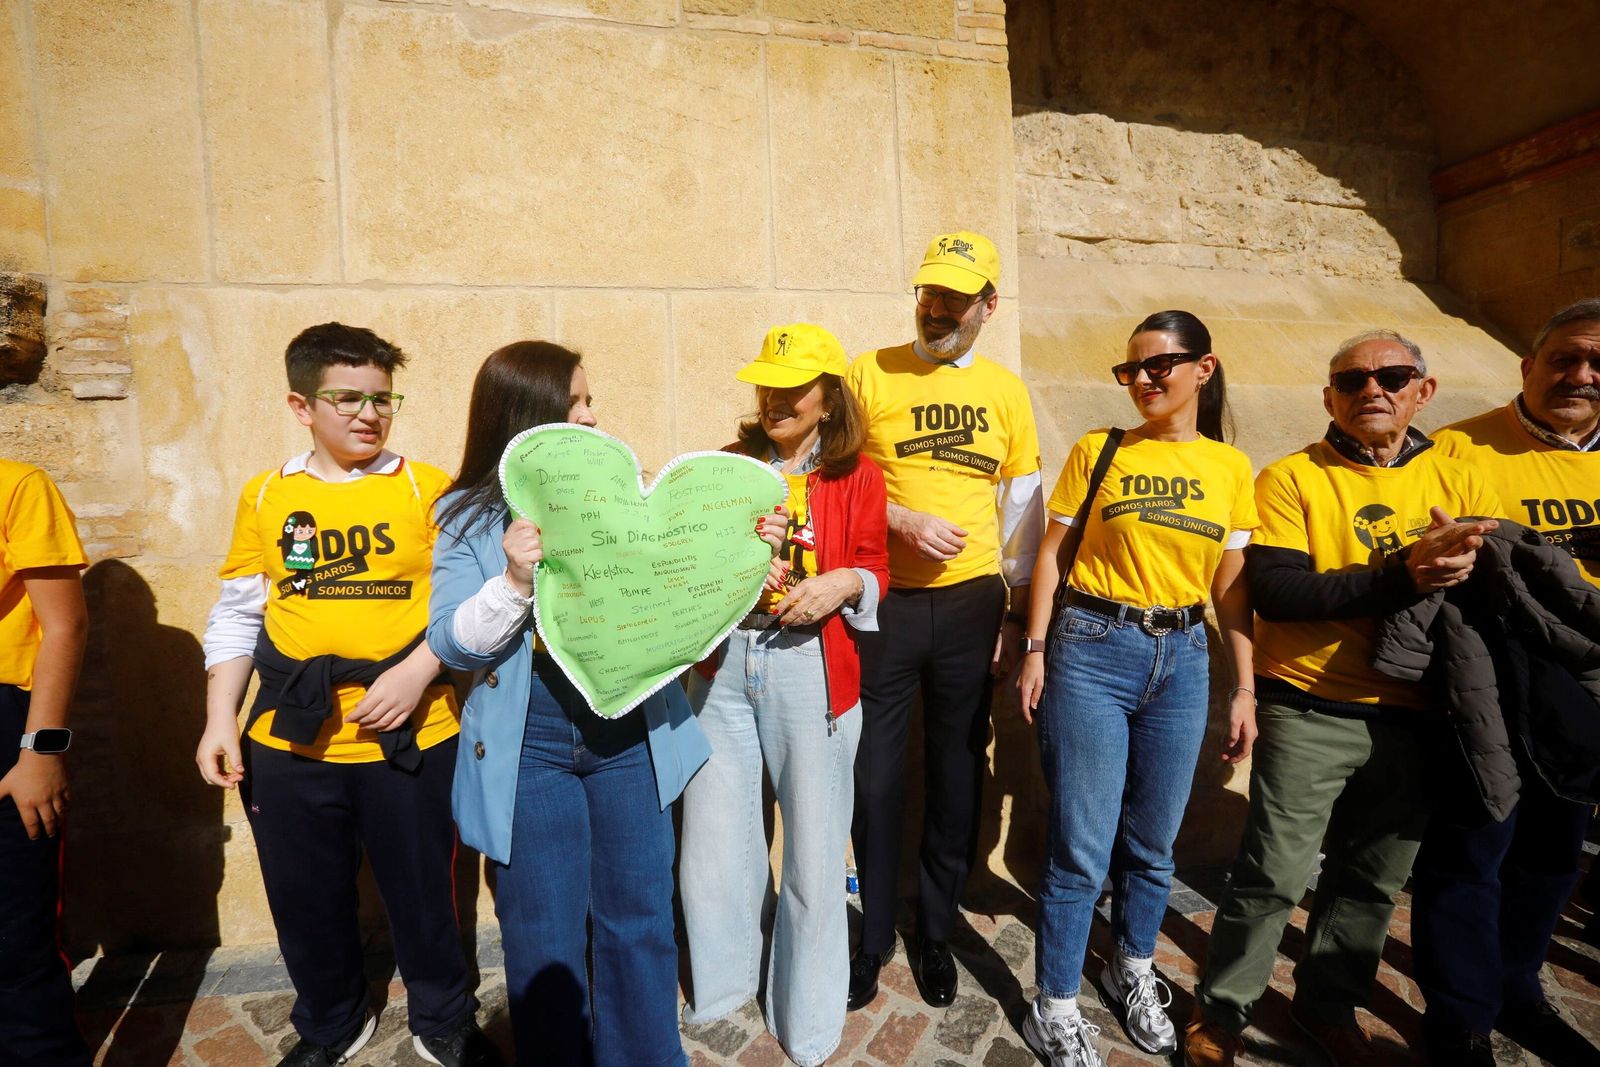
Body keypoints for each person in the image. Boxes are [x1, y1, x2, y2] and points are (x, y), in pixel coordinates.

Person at [1183, 330, 1502, 1067]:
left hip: (1419, 713)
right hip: (1309, 702)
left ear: (1423, 390)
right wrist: (1405, 574)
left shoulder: (1463, 479)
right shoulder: (1292, 477)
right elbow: (1280, 592)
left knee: (1372, 879)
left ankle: (1326, 1006)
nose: (1371, 390)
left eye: (1392, 376)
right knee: (1273, 873)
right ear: (1329, 398)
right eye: (1352, 381)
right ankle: (1224, 1010)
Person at [195, 323, 490, 1067]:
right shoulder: (267, 493)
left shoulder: (428, 489)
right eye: (348, 398)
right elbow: (238, 612)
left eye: (382, 399)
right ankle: (331, 1023)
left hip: (414, 732)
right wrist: (219, 719)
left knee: (425, 892)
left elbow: (465, 606)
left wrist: (417, 670)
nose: (369, 414)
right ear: (302, 405)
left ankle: (443, 1017)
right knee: (304, 898)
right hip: (289, 736)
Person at [427, 341, 710, 1067]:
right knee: (541, 928)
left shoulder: (622, 495)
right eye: (572, 403)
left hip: (629, 731)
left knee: (640, 917)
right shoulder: (465, 515)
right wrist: (514, 582)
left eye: (589, 399)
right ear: (523, 414)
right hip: (531, 739)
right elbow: (452, 642)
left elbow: (678, 601)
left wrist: (737, 544)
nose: (589, 415)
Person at [1015, 311, 1258, 1067]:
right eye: (1131, 370)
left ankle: (1131, 967)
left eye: (1159, 365)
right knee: (1081, 847)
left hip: (1183, 658)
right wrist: (1034, 646)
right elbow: (1052, 553)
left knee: (1154, 844)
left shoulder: (1230, 467)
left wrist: (1245, 687)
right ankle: (1054, 1005)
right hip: (1092, 647)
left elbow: (1231, 589)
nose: (1143, 380)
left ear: (1203, 368)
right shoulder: (1101, 449)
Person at [679, 324, 889, 1065]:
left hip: (812, 667)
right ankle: (725, 982)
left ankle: (806, 1014)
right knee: (715, 838)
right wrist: (738, 563)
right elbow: (691, 556)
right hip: (724, 665)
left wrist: (842, 582)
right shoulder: (729, 464)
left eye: (794, 387)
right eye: (767, 384)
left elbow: (876, 566)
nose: (775, 399)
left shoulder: (858, 475)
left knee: (813, 847)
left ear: (829, 398)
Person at [846, 230, 1043, 1010]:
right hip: (884, 601)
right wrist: (897, 518)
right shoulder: (869, 372)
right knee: (874, 774)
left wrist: (1016, 614)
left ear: (988, 305)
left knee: (958, 772)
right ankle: (871, 936)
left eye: (954, 300)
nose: (935, 310)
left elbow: (1022, 509)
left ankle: (934, 927)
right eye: (929, 294)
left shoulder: (1006, 391)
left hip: (971, 607)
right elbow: (836, 480)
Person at [1411, 298, 1600, 1067]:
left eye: (1597, 363)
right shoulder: (1458, 449)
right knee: (1472, 853)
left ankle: (1517, 988)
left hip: (1588, 691)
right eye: (1564, 358)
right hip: (1492, 686)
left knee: (1555, 855)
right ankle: (1458, 1021)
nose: (1580, 374)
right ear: (1528, 366)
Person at [0, 459, 91, 1066]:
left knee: (14, 944)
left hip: (9, 723)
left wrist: (42, 750)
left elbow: (66, 625)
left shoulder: (16, 485)